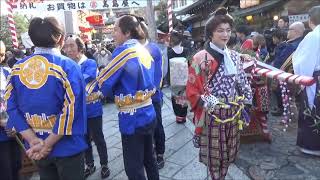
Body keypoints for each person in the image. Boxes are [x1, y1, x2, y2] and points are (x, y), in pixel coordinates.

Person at [5, 17, 88, 179]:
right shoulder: (68, 66)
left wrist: (34, 140)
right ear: (61, 39)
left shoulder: (16, 69)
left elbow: (10, 105)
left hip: (35, 147)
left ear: (32, 39)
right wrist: (47, 144)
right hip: (67, 146)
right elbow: (72, 109)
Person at [186, 8, 252, 180]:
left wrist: (247, 102)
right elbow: (192, 89)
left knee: (228, 155)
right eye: (220, 30)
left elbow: (242, 82)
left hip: (232, 112)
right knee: (214, 158)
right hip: (212, 114)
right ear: (210, 34)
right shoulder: (201, 57)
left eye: (228, 30)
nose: (225, 34)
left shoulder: (236, 57)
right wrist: (208, 101)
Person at [97, 15, 159, 180]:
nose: (113, 34)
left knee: (133, 167)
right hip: (148, 111)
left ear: (127, 32)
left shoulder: (123, 51)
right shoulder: (143, 49)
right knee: (150, 159)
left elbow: (105, 82)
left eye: (116, 30)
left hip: (132, 117)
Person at [63, 36, 110, 178]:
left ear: (80, 48)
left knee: (98, 137)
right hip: (77, 110)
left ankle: (104, 164)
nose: (68, 49)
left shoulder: (89, 62)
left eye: (72, 46)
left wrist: (66, 82)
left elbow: (85, 79)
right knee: (83, 139)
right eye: (66, 46)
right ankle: (90, 164)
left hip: (92, 108)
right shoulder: (66, 64)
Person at [292, 5, 320, 156]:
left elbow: (304, 61)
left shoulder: (313, 36)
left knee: (313, 109)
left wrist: (302, 80)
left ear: (310, 20)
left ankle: (313, 146)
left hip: (315, 78)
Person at [138, 18, 166, 169]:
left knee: (157, 125)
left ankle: (160, 152)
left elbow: (159, 74)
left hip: (153, 96)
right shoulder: (132, 49)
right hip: (137, 98)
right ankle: (149, 152)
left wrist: (153, 90)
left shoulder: (154, 49)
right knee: (144, 127)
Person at [0, 40, 21, 180]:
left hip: (13, 133)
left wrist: (16, 123)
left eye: (1, 54)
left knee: (16, 167)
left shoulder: (7, 72)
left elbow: (19, 99)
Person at [168, 31, 190, 123]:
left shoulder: (169, 52)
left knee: (175, 97)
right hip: (185, 78)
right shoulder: (186, 51)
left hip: (174, 79)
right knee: (184, 96)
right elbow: (190, 64)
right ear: (181, 41)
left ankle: (178, 116)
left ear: (171, 42)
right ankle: (183, 116)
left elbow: (167, 68)